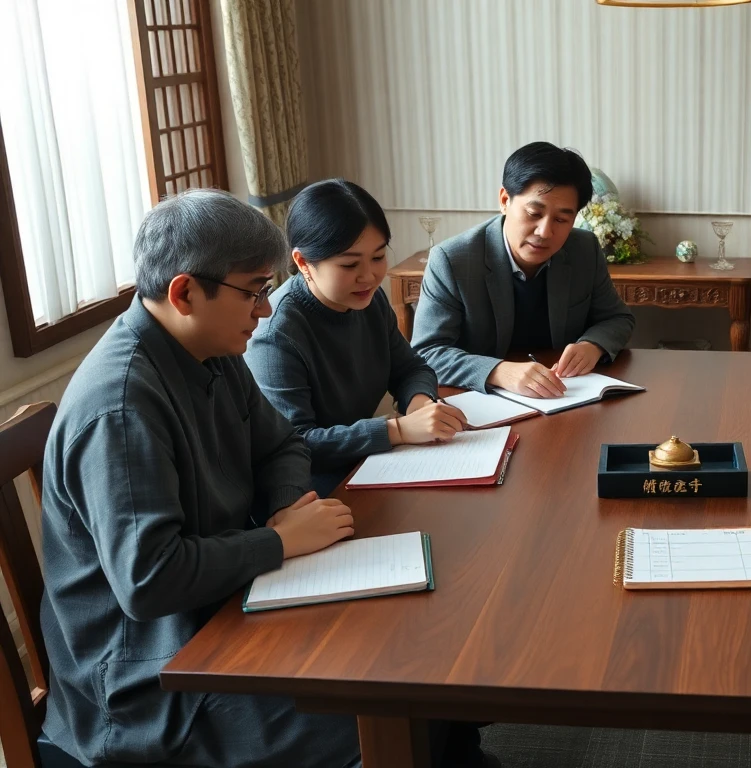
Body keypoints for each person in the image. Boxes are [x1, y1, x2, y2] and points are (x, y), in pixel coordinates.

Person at [37, 189, 362, 766]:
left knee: (381, 661)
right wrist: (281, 540)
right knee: (365, 719)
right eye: (255, 291)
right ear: (185, 292)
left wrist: (287, 508)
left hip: (217, 611)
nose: (265, 310)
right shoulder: (120, 408)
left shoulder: (209, 347)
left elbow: (281, 441)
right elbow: (149, 582)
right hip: (146, 678)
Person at [246, 179, 466, 496]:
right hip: (309, 491)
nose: (369, 276)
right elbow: (297, 445)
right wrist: (398, 429)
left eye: (377, 257)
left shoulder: (367, 298)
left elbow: (410, 368)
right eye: (349, 264)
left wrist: (419, 404)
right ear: (303, 262)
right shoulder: (277, 333)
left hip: (365, 464)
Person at [411, 141, 635, 396]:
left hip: (563, 396)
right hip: (483, 401)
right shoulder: (453, 260)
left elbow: (617, 318)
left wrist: (593, 345)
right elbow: (427, 353)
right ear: (505, 200)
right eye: (533, 213)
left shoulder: (584, 249)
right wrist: (498, 371)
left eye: (562, 219)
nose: (545, 232)